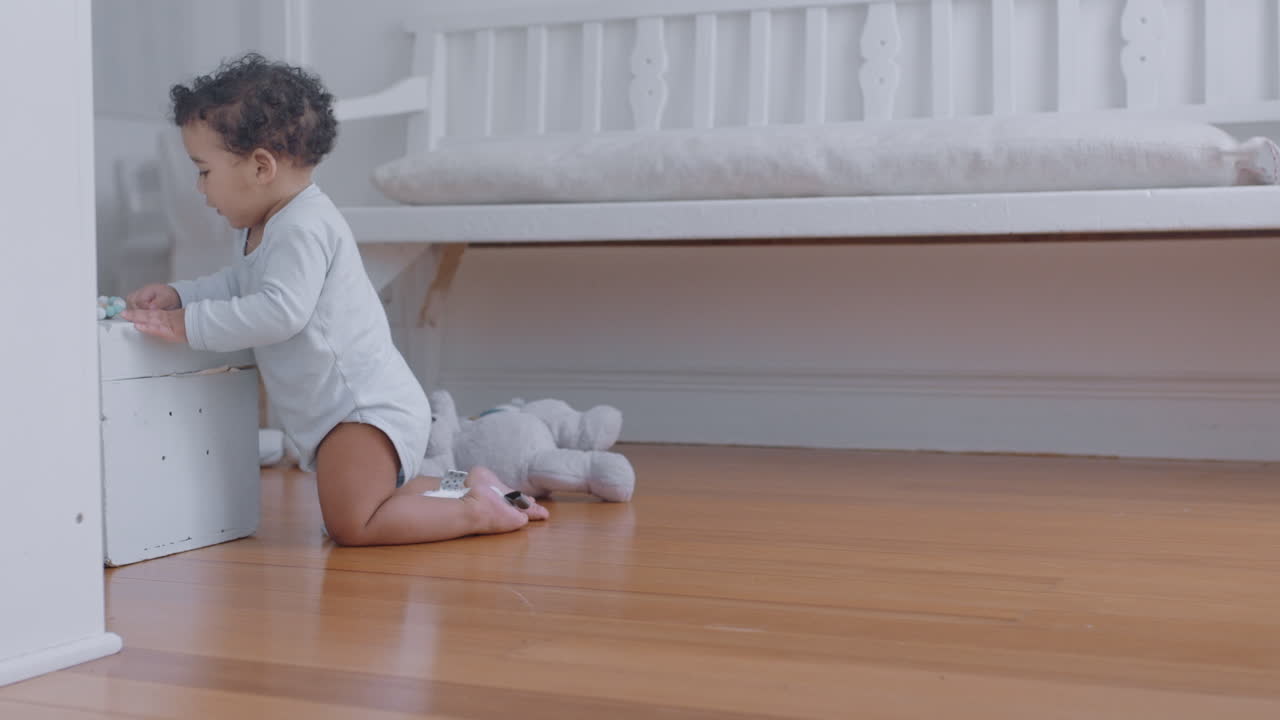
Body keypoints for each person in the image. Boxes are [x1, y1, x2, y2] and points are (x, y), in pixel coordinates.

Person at [123, 53, 548, 546]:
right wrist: (181, 295)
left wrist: (187, 325)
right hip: (351, 414)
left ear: (261, 166)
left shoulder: (302, 228)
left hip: (361, 412)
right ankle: (474, 485)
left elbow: (279, 313)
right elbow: (237, 286)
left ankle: (477, 512)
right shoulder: (271, 226)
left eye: (203, 170)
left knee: (353, 523)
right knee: (386, 495)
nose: (200, 188)